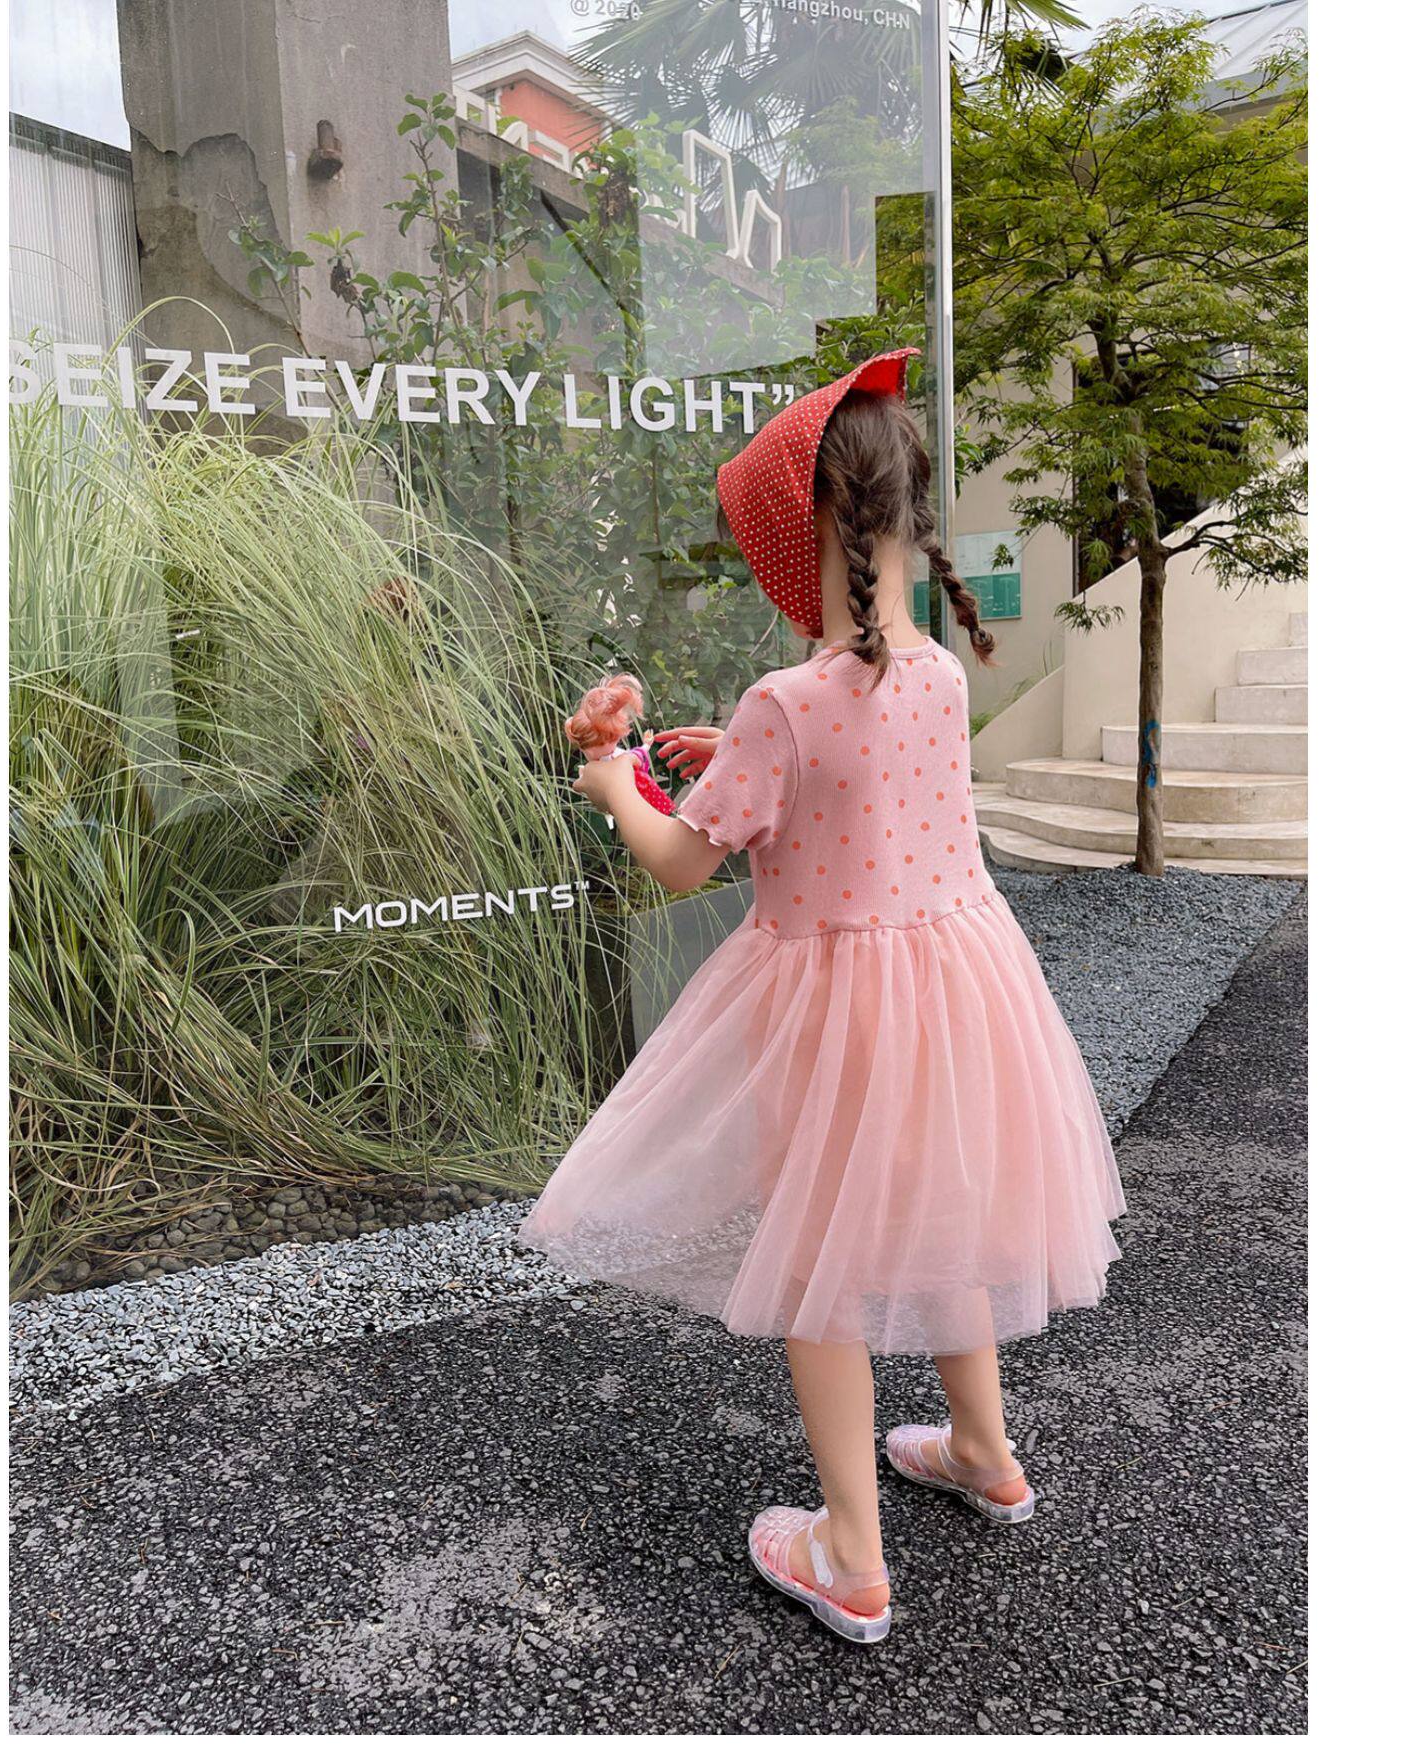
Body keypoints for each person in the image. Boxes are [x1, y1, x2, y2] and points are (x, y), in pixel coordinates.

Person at [519, 350, 1124, 1644]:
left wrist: (619, 782)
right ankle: (983, 1447)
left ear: (806, 532)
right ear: (905, 516)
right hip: (956, 989)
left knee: (819, 1259)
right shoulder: (941, 673)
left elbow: (684, 860)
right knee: (943, 1209)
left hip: (835, 1011)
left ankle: (852, 1550)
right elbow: (861, 786)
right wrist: (724, 751)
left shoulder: (783, 704)